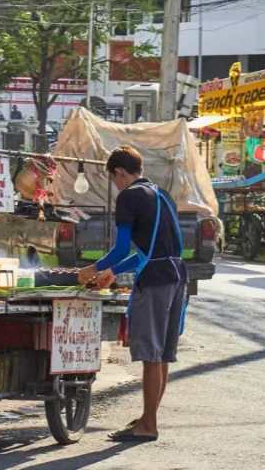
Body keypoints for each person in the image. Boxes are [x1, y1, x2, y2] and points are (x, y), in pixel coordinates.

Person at [78, 146, 187, 443]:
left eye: (115, 180)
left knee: (150, 355)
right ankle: (147, 418)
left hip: (155, 280)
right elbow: (151, 249)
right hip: (177, 275)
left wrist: (93, 268)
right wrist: (113, 272)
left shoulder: (129, 196)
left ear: (120, 173)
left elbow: (122, 247)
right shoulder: (161, 194)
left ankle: (148, 425)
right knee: (162, 354)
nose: (116, 186)